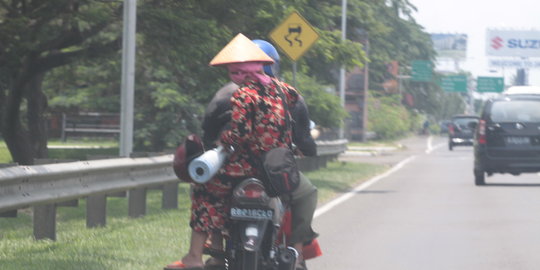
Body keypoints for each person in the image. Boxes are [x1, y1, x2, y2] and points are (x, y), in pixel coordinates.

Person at [166, 34, 318, 270]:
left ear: (242, 70)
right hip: (277, 169)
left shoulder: (240, 94)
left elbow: (238, 133)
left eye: (235, 71)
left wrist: (226, 142)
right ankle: (296, 254)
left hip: (242, 167)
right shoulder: (287, 91)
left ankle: (202, 255)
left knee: (205, 194)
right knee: (306, 193)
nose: (234, 77)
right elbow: (302, 137)